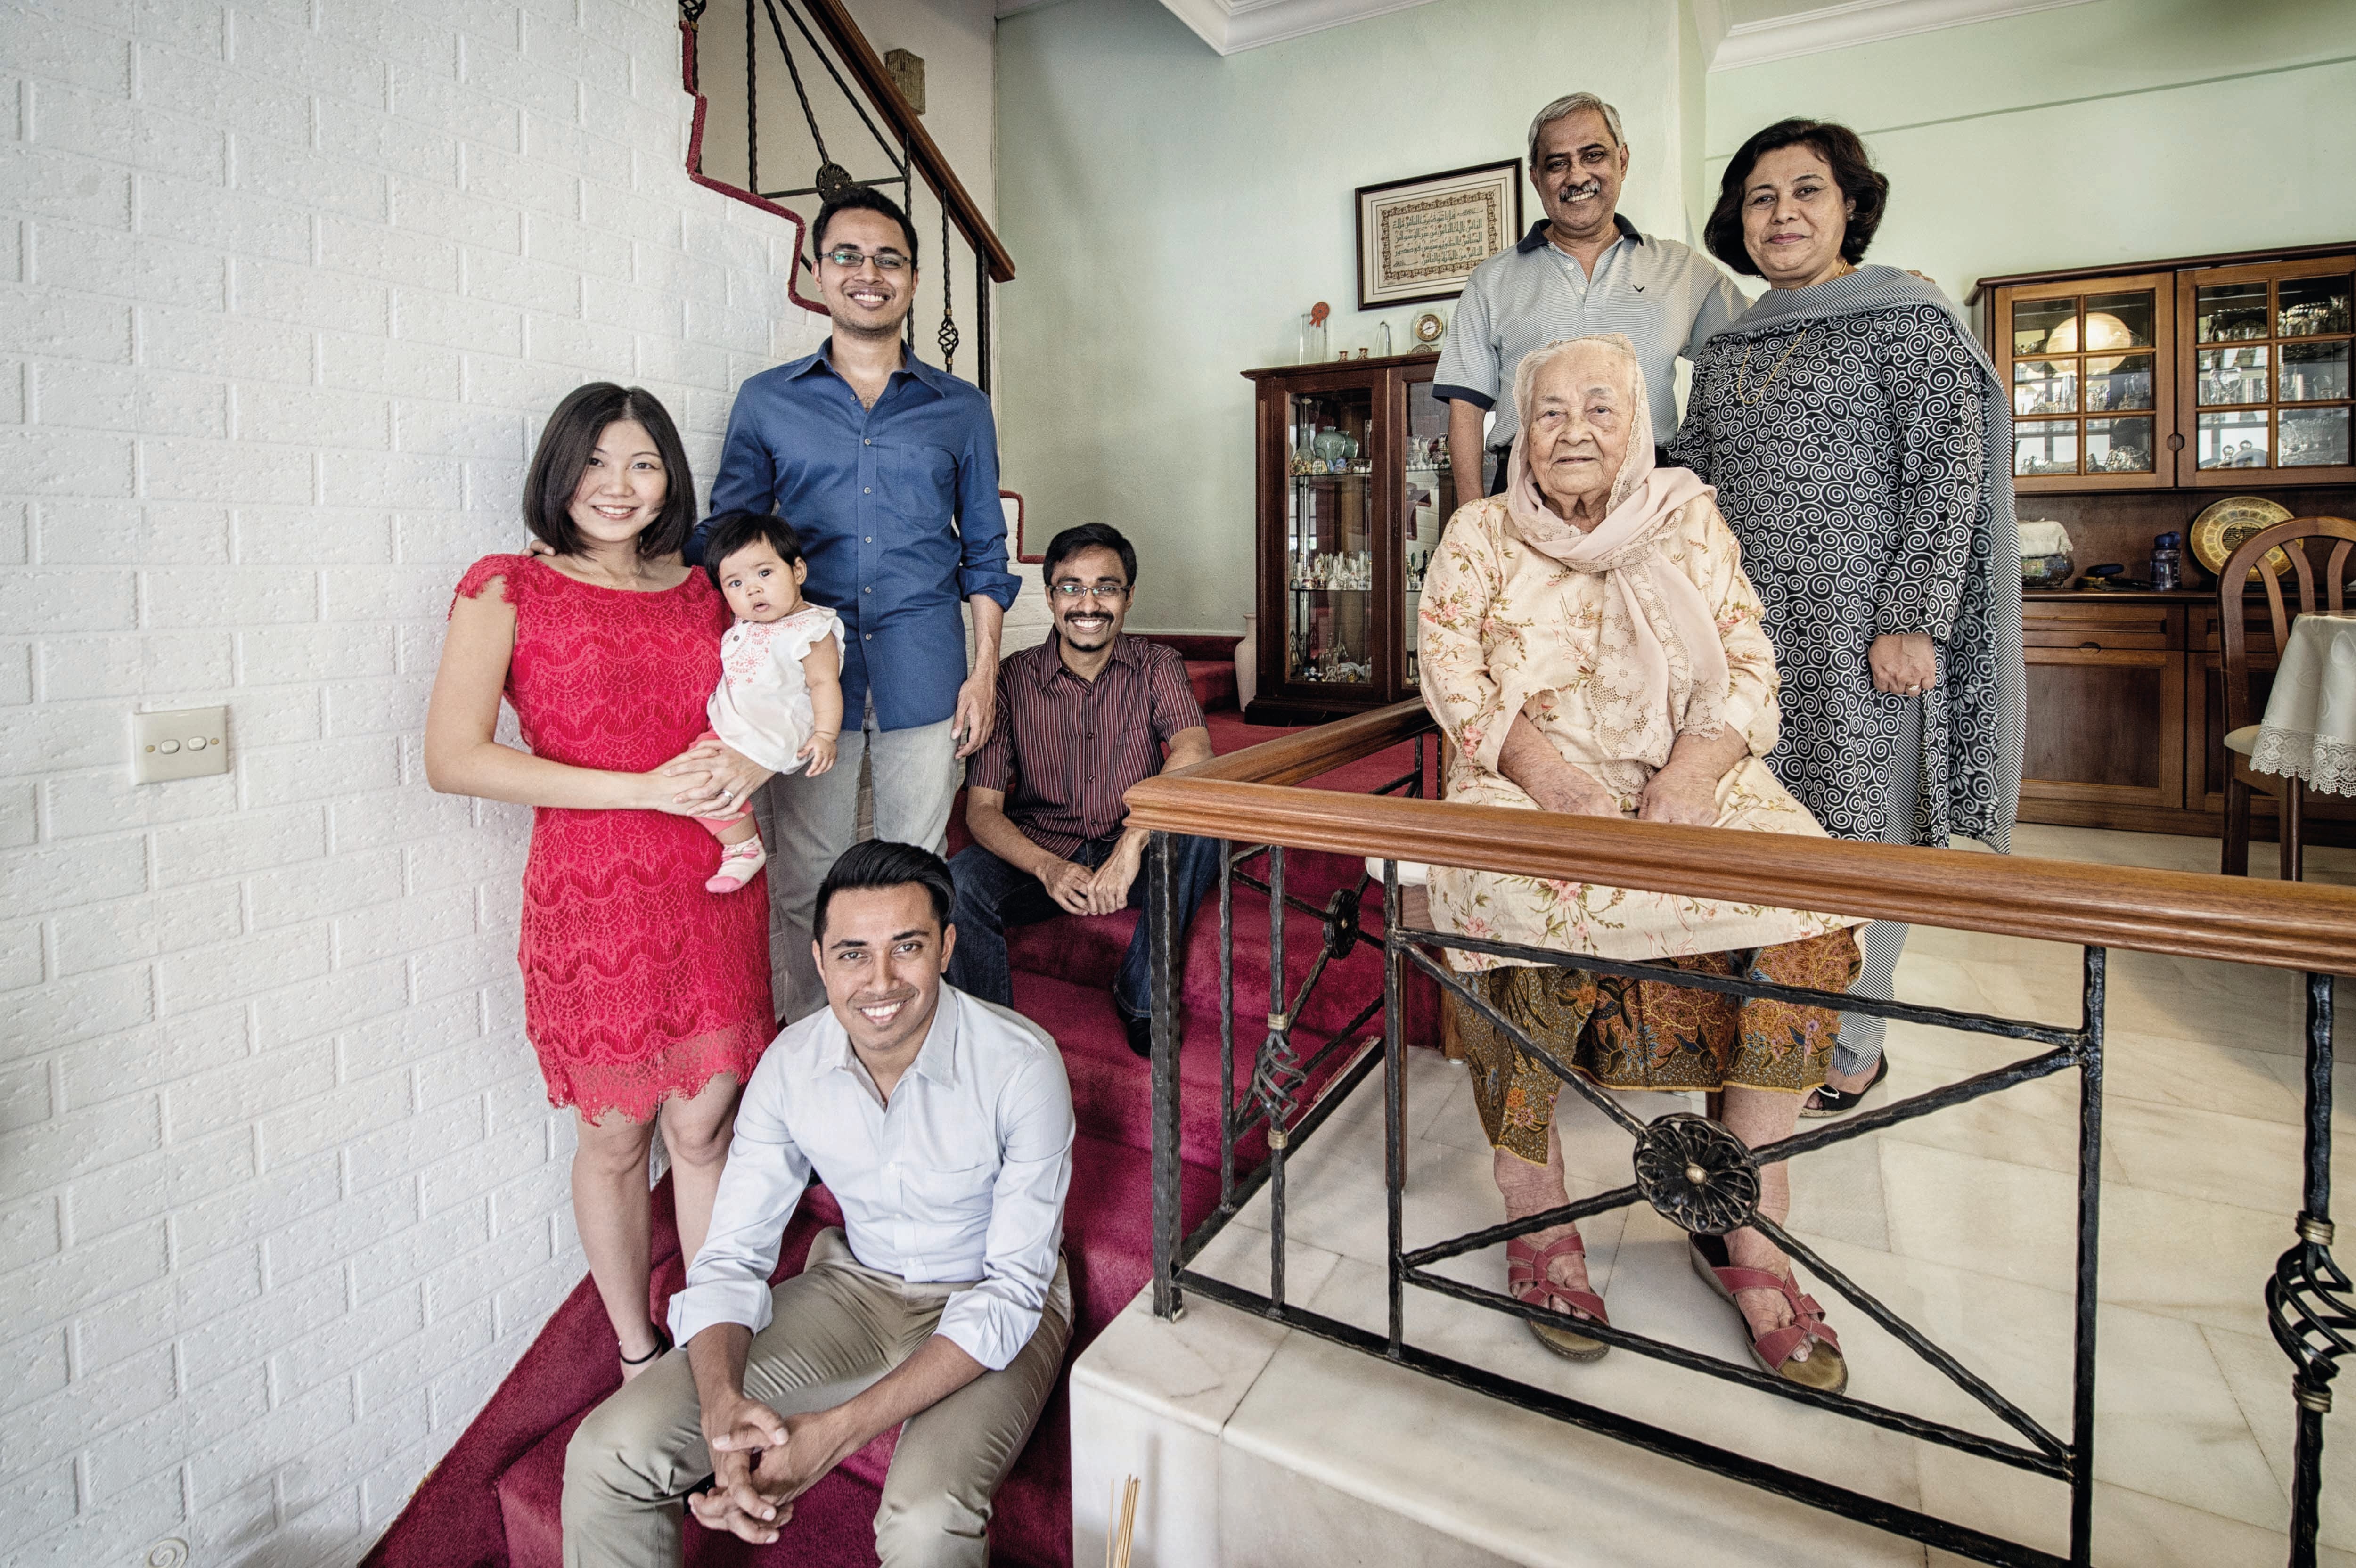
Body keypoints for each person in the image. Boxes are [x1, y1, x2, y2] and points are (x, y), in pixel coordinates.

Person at [1419, 334, 1865, 1390]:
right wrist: (1548, 775)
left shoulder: (1685, 518)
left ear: (1637, 426)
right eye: (1550, 412)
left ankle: (1737, 1217)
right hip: (1525, 776)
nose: (1572, 431)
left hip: (1684, 771)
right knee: (1506, 898)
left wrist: (1696, 770)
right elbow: (1449, 666)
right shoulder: (1479, 530)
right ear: (1519, 432)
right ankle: (1538, 1206)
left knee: (1809, 899)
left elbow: (1749, 656)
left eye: (1599, 409)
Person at [561, 841, 1075, 1568]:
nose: (881, 981)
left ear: (948, 947)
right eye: (853, 954)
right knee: (608, 1451)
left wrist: (836, 1432)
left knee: (925, 1523)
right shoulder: (791, 1064)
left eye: (908, 947)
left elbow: (1016, 1290)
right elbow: (732, 1256)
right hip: (854, 1291)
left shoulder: (1022, 1066)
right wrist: (720, 1411)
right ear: (819, 960)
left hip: (991, 1299)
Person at [1669, 119, 2024, 1118]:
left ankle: (1854, 1044)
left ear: (1850, 207)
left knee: (1867, 837)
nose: (1782, 212)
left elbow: (1950, 474)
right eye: (1760, 197)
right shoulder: (1731, 342)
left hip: (1866, 636)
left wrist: (1914, 618)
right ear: (1738, 223)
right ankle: (1769, 1022)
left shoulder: (1908, 319)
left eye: (1806, 190)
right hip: (1748, 641)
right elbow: (1693, 479)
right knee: (1771, 837)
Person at [425, 384, 771, 1381]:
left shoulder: (707, 589)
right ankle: (634, 1349)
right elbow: (455, 756)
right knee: (616, 1135)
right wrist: (639, 787)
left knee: (704, 1124)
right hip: (596, 892)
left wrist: (759, 759)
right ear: (558, 470)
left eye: (644, 464)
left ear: (672, 478)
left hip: (713, 880)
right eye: (595, 462)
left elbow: (778, 691)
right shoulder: (507, 588)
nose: (618, 487)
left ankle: (712, 1348)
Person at [696, 184, 1021, 1022]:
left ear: (913, 280)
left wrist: (984, 671)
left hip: (926, 669)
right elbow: (725, 543)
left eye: (888, 258)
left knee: (915, 872)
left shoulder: (961, 408)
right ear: (815, 270)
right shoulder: (769, 401)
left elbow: (987, 550)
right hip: (801, 688)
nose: (867, 273)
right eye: (847, 254)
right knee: (807, 876)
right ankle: (813, 1056)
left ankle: (908, 1049)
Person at [946, 523, 1219, 1056]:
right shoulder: (1011, 680)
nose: (1087, 604)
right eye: (1070, 587)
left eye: (1106, 587)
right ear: (1048, 596)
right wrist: (1046, 866)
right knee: (960, 882)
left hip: (1130, 848)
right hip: (1042, 851)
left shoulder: (1156, 665)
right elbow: (981, 809)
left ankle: (1141, 998)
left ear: (1129, 596)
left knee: (1204, 836)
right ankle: (991, 1032)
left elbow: (1195, 752)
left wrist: (1130, 845)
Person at [1435, 92, 1747, 512]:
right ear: (1536, 178)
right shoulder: (1491, 281)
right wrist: (1473, 516)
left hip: (1648, 495)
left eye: (1593, 155)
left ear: (1622, 161)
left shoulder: (1683, 270)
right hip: (1525, 494)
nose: (1576, 175)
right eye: (1557, 163)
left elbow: (1750, 356)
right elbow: (1466, 410)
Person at [695, 511, 846, 894]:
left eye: (765, 574)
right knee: (699, 776)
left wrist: (826, 735)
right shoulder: (746, 624)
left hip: (774, 729)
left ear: (797, 572)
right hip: (735, 725)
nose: (753, 590)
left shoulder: (810, 629)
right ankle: (741, 843)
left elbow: (824, 683)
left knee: (704, 776)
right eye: (736, 582)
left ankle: (743, 847)